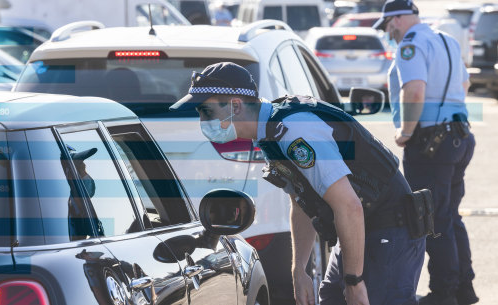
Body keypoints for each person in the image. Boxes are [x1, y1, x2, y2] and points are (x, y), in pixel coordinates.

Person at [169, 62, 431, 305]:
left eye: (207, 111)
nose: (203, 120)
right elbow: (303, 201)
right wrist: (299, 269)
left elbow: (349, 206)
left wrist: (354, 280)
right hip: (359, 229)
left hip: (388, 230)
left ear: (235, 105)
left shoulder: (293, 131)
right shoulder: (269, 132)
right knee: (331, 298)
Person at [373, 1, 477, 305]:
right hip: (459, 136)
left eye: (387, 25)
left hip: (431, 142)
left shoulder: (411, 45)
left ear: (398, 20)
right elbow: (465, 82)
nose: (387, 32)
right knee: (448, 216)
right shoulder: (446, 39)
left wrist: (406, 132)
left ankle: (444, 293)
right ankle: (462, 289)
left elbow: (414, 90)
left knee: (431, 219)